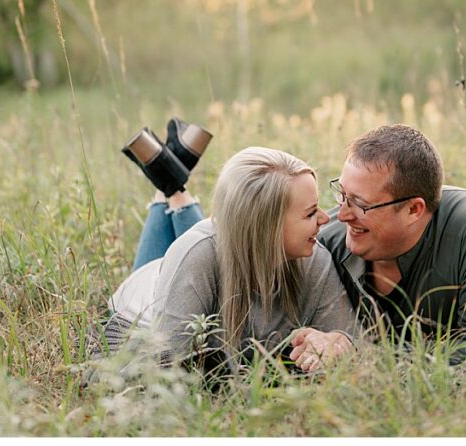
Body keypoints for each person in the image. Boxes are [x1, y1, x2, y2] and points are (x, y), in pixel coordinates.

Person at [90, 140, 358, 381]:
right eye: (310, 213)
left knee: (206, 247)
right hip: (145, 300)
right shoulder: (195, 256)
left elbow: (355, 339)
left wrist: (338, 341)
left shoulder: (313, 256)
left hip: (203, 257)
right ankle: (171, 184)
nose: (325, 219)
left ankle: (169, 180)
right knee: (197, 249)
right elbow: (166, 369)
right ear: (267, 226)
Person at [292, 124, 466, 365]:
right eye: (342, 195)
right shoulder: (321, 246)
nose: (342, 215)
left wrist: (358, 354)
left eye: (360, 204)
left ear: (413, 210)